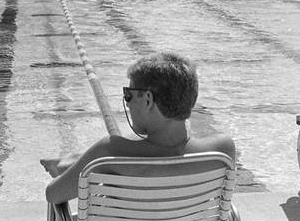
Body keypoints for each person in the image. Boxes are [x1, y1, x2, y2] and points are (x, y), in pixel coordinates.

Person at [43, 51, 235, 205]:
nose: (127, 104)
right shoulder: (222, 150)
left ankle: (65, 163)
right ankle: (69, 162)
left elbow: (53, 194)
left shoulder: (109, 152)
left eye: (129, 95)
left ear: (148, 100)